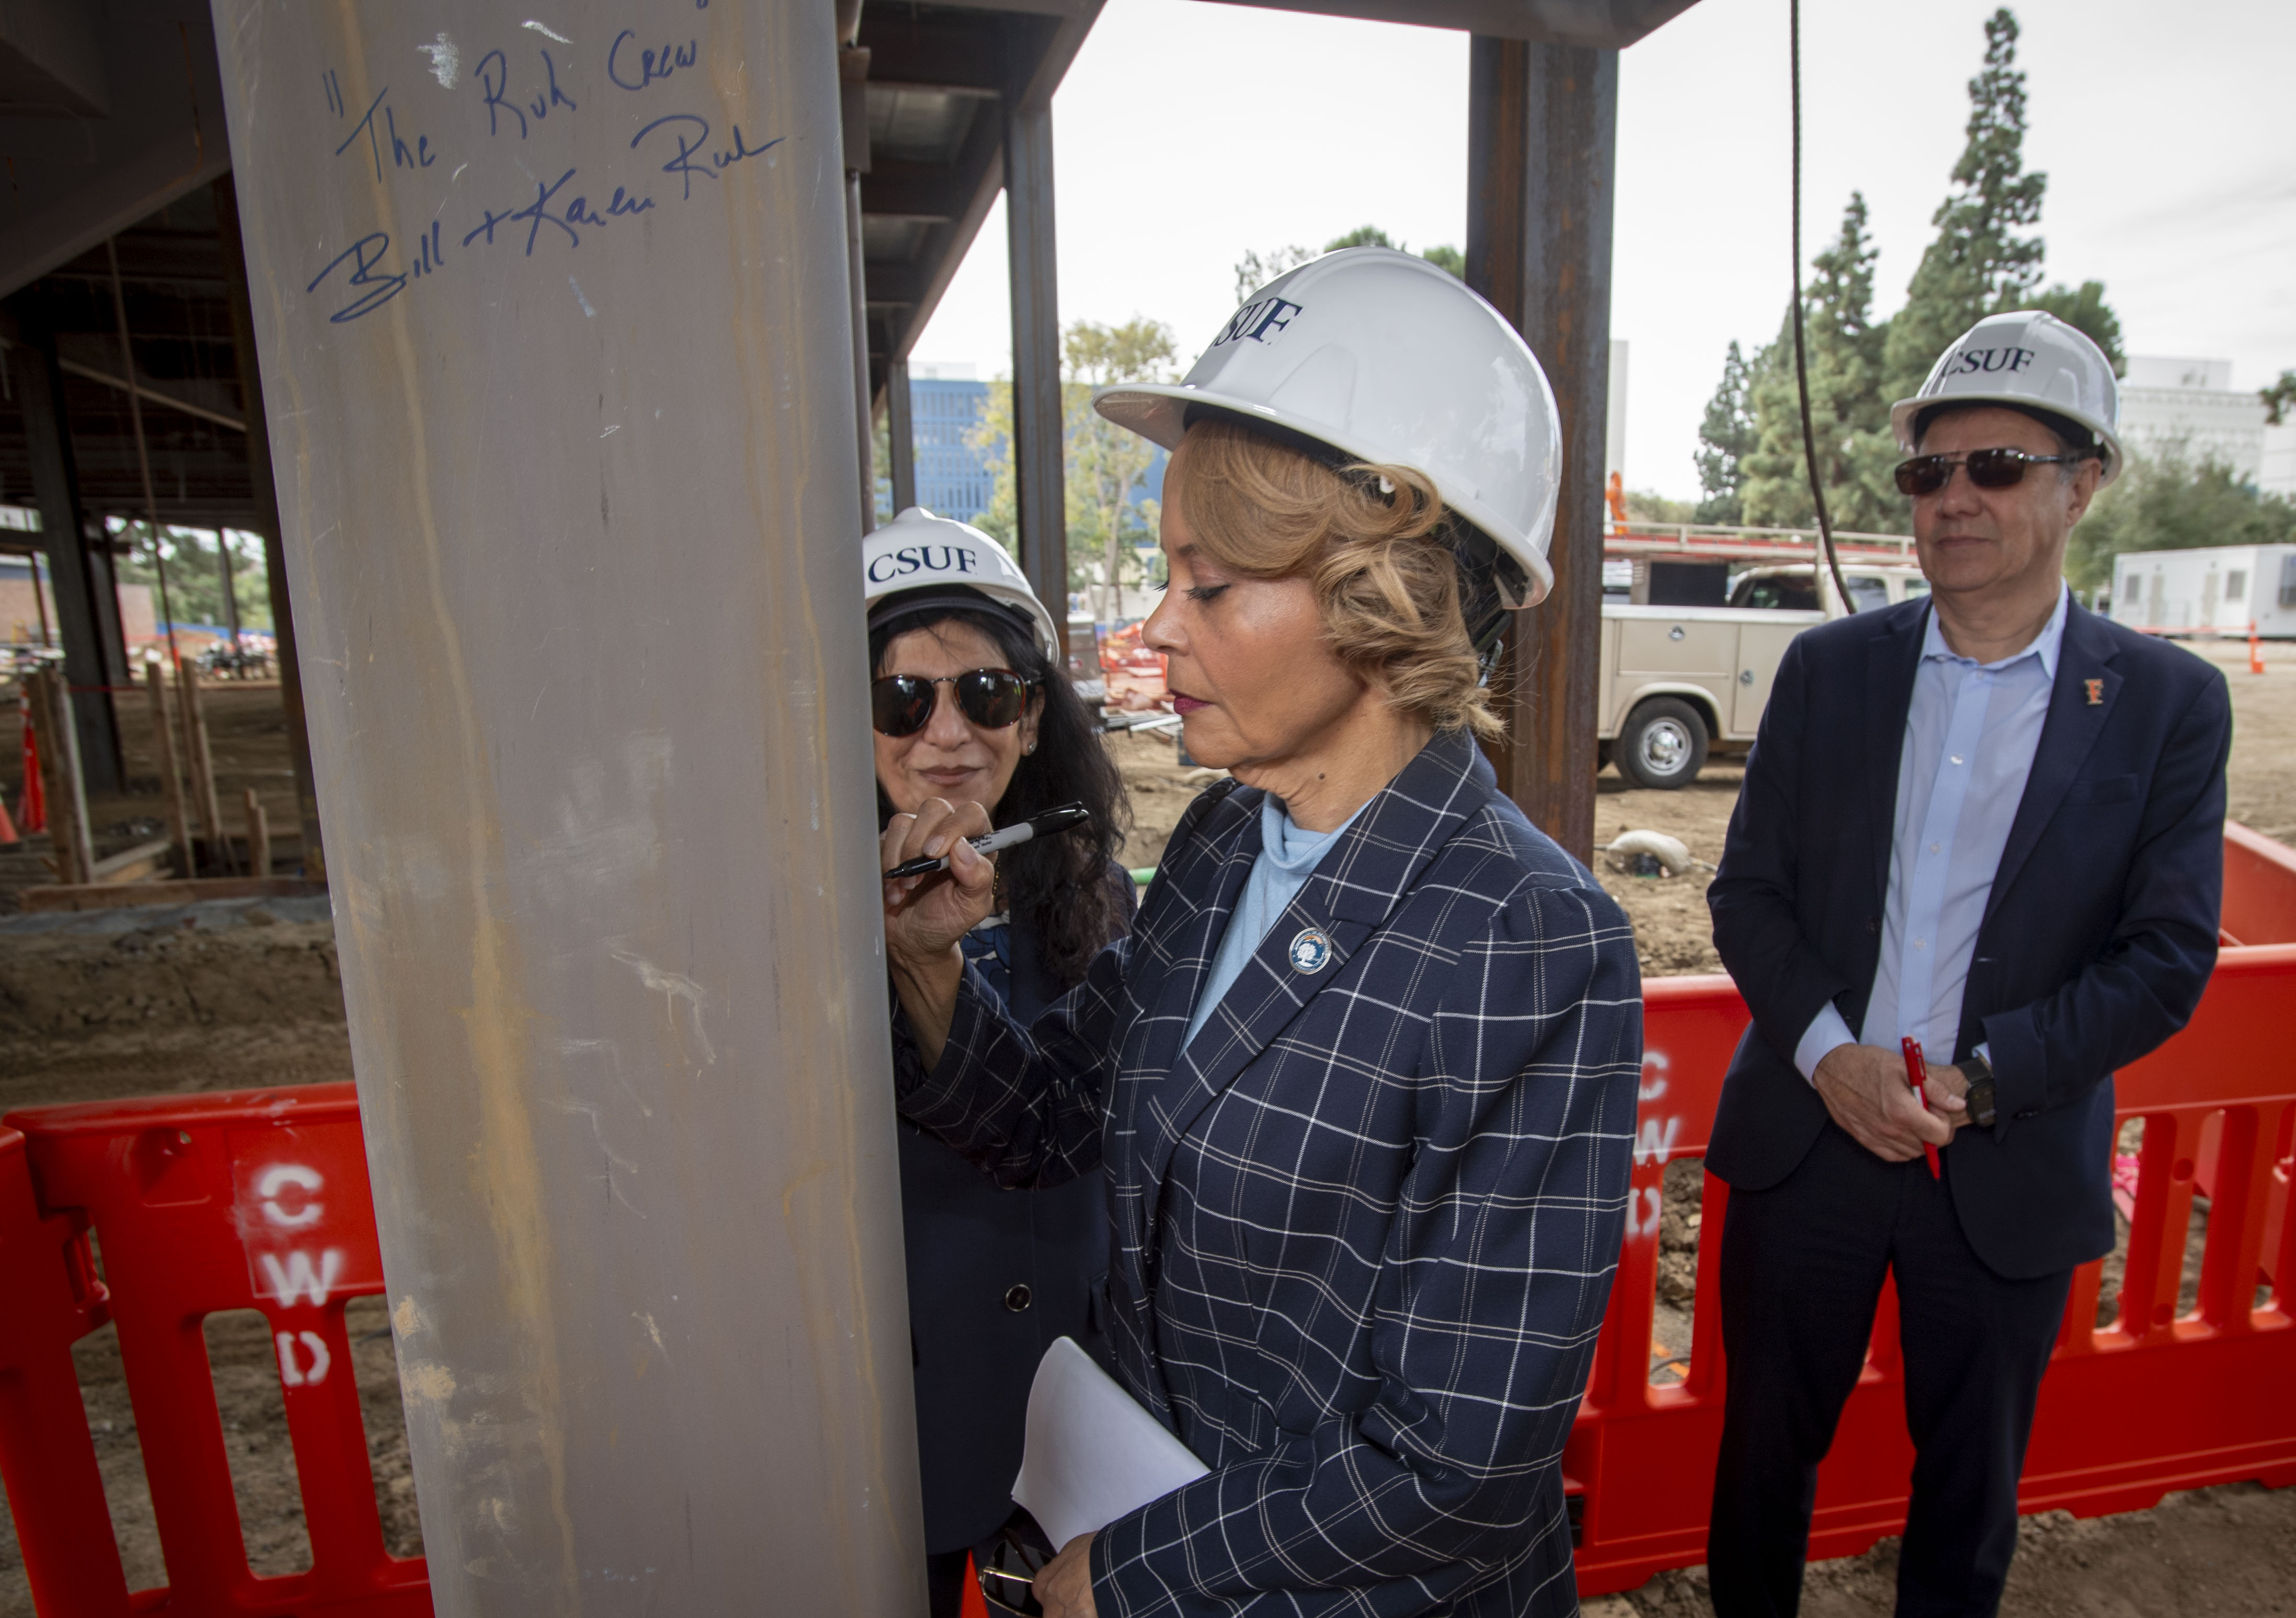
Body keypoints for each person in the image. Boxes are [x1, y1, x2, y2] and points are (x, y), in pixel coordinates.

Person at [878, 248, 1642, 1617]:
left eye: (1212, 584)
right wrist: (931, 969)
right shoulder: (1231, 836)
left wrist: (1129, 1569)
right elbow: (1070, 1114)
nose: (1158, 628)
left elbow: (1459, 1462)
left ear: (1384, 593)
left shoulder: (1527, 938)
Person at [1703, 310, 2232, 1616]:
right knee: (1761, 1466)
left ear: (2084, 480)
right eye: (1927, 473)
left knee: (1969, 1500)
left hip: (2001, 1157)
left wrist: (1983, 1084)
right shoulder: (1828, 673)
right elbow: (1747, 893)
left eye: (1995, 466)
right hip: (1807, 1141)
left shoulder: (2166, 703)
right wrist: (1834, 1060)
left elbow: (2165, 955)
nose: (1954, 500)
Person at [862, 507, 1136, 1618]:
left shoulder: (1093, 888)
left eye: (987, 694)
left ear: (1032, 714)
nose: (947, 734)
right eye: (900, 698)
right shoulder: (782, 923)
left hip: (1077, 1401)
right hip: (898, 1412)